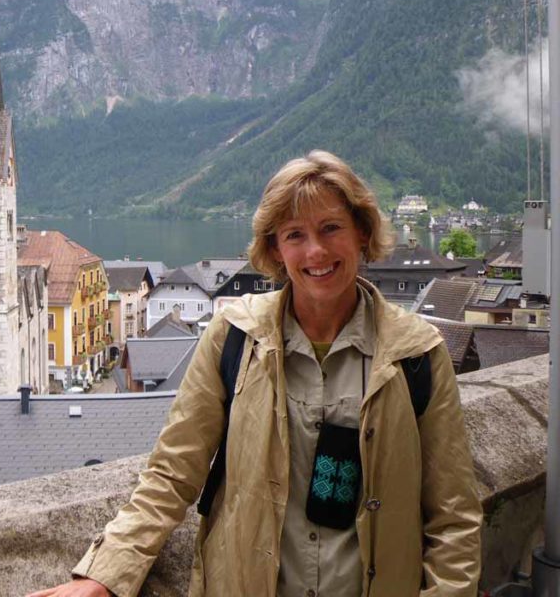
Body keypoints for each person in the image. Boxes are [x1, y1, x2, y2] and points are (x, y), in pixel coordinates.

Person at [26, 151, 482, 597]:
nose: (315, 251)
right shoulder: (235, 336)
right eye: (295, 235)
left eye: (331, 228)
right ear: (274, 249)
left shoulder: (417, 353)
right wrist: (105, 574)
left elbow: (453, 516)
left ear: (362, 233)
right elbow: (173, 471)